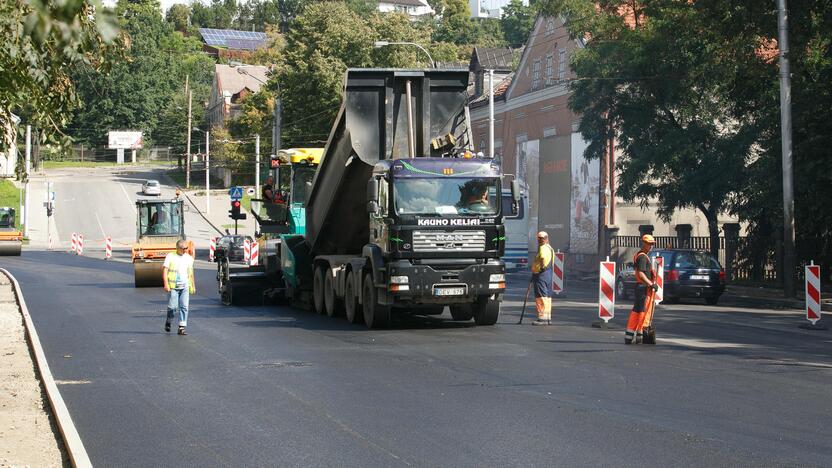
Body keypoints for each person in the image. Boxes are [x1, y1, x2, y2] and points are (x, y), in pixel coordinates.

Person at [624, 234, 658, 344]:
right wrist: (650, 284)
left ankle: (629, 336)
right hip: (644, 287)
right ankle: (641, 335)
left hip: (640, 287)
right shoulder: (643, 257)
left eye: (652, 244)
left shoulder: (640, 255)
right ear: (644, 243)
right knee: (643, 312)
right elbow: (641, 273)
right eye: (649, 244)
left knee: (637, 311)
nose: (651, 246)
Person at [163, 239, 195, 335]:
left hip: (185, 286)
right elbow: (165, 271)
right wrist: (166, 284)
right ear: (178, 248)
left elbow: (191, 272)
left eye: (186, 248)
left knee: (184, 307)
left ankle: (182, 327)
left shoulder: (188, 258)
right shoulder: (170, 256)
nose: (185, 250)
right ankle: (168, 321)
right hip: (173, 286)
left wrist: (193, 285)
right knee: (173, 307)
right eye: (183, 248)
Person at [531, 231, 555, 326]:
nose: (539, 240)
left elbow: (543, 258)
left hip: (541, 274)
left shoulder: (543, 248)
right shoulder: (550, 248)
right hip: (548, 274)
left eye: (540, 239)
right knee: (547, 296)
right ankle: (548, 317)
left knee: (541, 296)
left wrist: (541, 267)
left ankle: (542, 318)